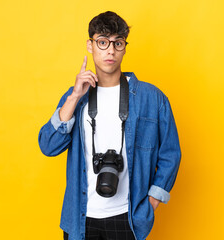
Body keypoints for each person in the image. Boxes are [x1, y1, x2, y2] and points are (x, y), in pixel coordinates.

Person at [38, 11, 181, 240]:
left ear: (125, 47)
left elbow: (171, 153)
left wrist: (152, 201)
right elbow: (48, 146)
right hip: (80, 219)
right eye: (102, 42)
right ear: (90, 45)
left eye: (118, 43)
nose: (110, 50)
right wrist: (74, 96)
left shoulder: (151, 98)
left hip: (127, 217)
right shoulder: (76, 97)